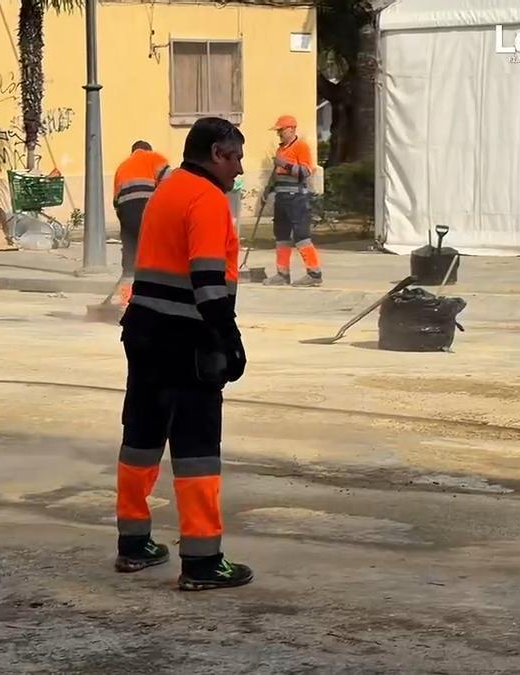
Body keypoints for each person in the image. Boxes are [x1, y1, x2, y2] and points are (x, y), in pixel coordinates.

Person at [115, 117, 253, 591]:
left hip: (143, 329)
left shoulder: (167, 189)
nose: (239, 167)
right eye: (234, 156)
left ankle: (133, 544)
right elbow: (208, 282)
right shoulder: (209, 200)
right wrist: (228, 339)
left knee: (143, 434)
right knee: (196, 448)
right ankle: (202, 560)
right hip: (187, 338)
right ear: (216, 153)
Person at [112, 141, 170, 306]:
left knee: (130, 261)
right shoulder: (154, 158)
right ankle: (155, 301)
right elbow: (170, 183)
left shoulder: (121, 167)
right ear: (148, 150)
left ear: (133, 152)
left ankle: (126, 303)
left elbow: (116, 202)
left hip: (127, 215)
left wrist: (127, 226)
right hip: (148, 211)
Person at [264, 115, 320, 287]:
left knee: (301, 235)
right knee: (281, 235)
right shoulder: (281, 149)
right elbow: (277, 174)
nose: (279, 134)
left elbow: (306, 172)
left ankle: (314, 274)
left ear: (291, 129)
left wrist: (286, 164)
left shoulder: (300, 147)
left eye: (281, 130)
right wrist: (268, 188)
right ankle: (282, 273)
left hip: (296, 198)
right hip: (282, 199)